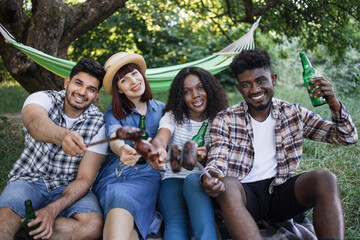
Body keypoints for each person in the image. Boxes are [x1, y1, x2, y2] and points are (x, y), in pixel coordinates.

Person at [202, 49, 358, 240]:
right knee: (227, 184)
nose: (255, 89)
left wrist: (333, 103)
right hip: (243, 199)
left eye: (260, 81)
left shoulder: (293, 113)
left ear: (273, 78)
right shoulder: (225, 119)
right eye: (246, 84)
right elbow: (217, 159)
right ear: (239, 88)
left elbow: (347, 137)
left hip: (278, 194)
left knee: (326, 179)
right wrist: (210, 177)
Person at [0, 58, 107, 240]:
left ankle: (26, 229)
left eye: (91, 89)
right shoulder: (42, 98)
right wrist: (63, 136)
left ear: (96, 95)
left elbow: (85, 178)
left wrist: (52, 210)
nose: (82, 92)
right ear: (67, 82)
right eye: (78, 83)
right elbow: (35, 122)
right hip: (28, 179)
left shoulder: (99, 124)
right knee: (3, 221)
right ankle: (27, 227)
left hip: (69, 186)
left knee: (92, 226)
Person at [91, 52, 165, 240]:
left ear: (142, 74)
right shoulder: (114, 112)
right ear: (120, 90)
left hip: (147, 175)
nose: (133, 81)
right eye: (124, 80)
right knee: (120, 201)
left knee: (126, 218)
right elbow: (115, 135)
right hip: (116, 173)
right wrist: (121, 149)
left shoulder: (162, 110)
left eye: (134, 73)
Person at [151, 67, 228, 239]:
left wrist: (209, 155)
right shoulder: (172, 117)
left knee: (199, 200)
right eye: (187, 91)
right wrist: (157, 150)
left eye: (200, 88)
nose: (195, 95)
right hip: (174, 180)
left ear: (209, 88)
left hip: (204, 181)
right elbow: (160, 139)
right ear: (181, 97)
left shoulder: (220, 119)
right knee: (177, 222)